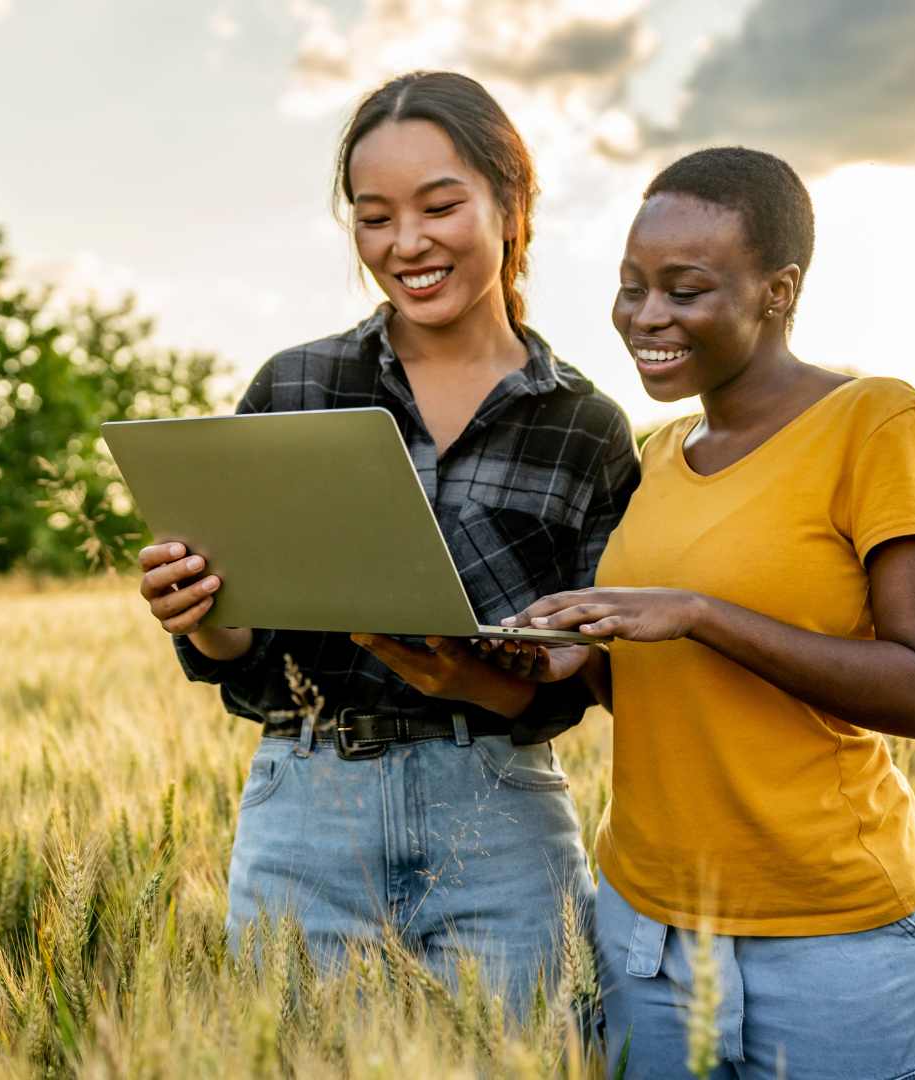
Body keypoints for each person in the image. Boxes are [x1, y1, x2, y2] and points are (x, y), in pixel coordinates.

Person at [134, 71, 639, 1013]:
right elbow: (242, 658)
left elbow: (604, 672)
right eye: (373, 218)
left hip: (499, 808)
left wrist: (546, 662)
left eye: (439, 205)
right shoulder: (296, 386)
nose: (406, 243)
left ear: (511, 200)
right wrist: (201, 616)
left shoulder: (586, 426)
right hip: (308, 805)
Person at [505, 146, 915, 1078]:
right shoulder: (662, 452)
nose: (647, 317)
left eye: (684, 289)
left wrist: (699, 613)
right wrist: (580, 660)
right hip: (650, 933)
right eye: (632, 286)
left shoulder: (877, 423)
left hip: (830, 942)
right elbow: (672, 685)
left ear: (778, 288)